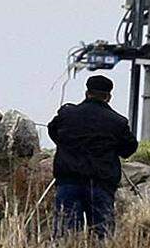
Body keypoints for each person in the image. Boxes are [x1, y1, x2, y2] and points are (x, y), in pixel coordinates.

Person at [48, 75, 139, 238]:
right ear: (108, 97)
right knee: (102, 235)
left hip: (68, 181)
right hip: (100, 184)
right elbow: (129, 148)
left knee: (66, 235)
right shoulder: (117, 122)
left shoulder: (67, 114)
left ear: (86, 93)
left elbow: (53, 131)